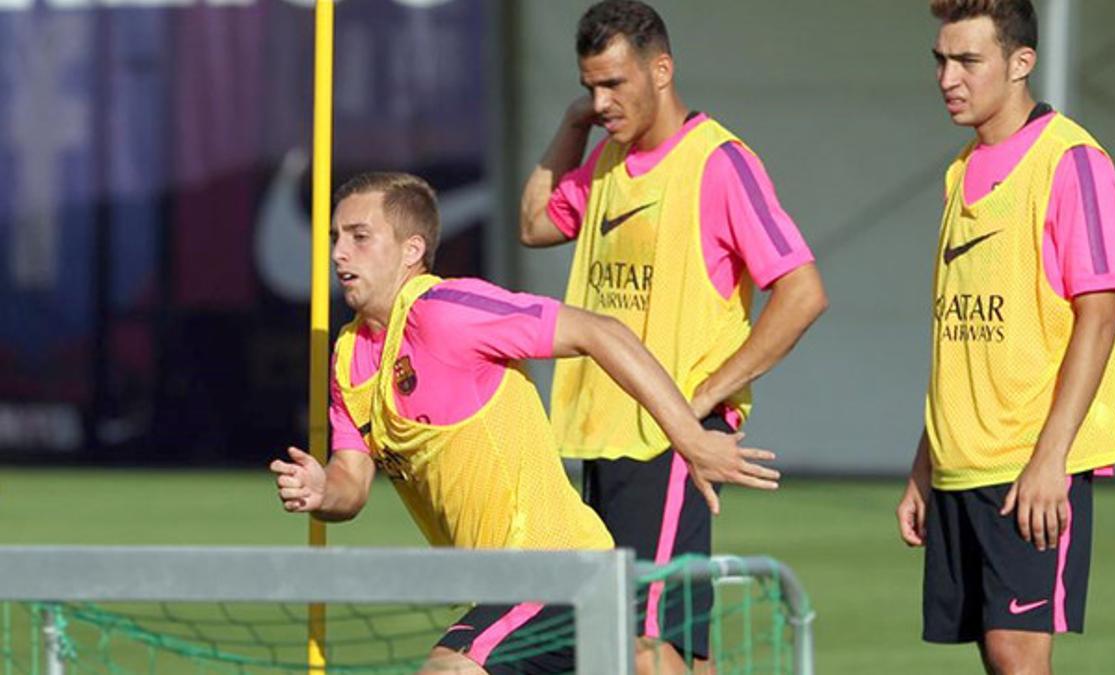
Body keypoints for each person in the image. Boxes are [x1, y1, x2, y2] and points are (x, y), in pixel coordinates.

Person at [270, 172, 779, 675]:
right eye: (335, 237)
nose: (339, 253)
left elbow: (599, 331)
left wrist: (689, 437)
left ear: (411, 250)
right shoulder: (347, 356)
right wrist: (321, 490)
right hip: (504, 590)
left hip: (559, 574)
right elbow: (351, 485)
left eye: (360, 237)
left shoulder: (447, 313)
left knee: (449, 671)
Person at [518, 0, 827, 664]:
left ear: (662, 70)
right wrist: (575, 124)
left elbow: (803, 293)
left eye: (613, 84)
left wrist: (706, 398)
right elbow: (536, 221)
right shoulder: (604, 159)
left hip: (669, 437)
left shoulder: (719, 162)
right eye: (588, 87)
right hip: (603, 434)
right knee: (665, 641)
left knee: (644, 642)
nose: (600, 102)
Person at [895, 1, 1115, 673]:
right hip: (960, 462)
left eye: (968, 61)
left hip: (1029, 459)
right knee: (996, 659)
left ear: (1021, 62)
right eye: (941, 60)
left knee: (1019, 659)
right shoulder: (958, 172)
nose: (948, 78)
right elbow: (960, 343)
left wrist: (1050, 459)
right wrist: (925, 465)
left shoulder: (1073, 160)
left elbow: (1101, 315)